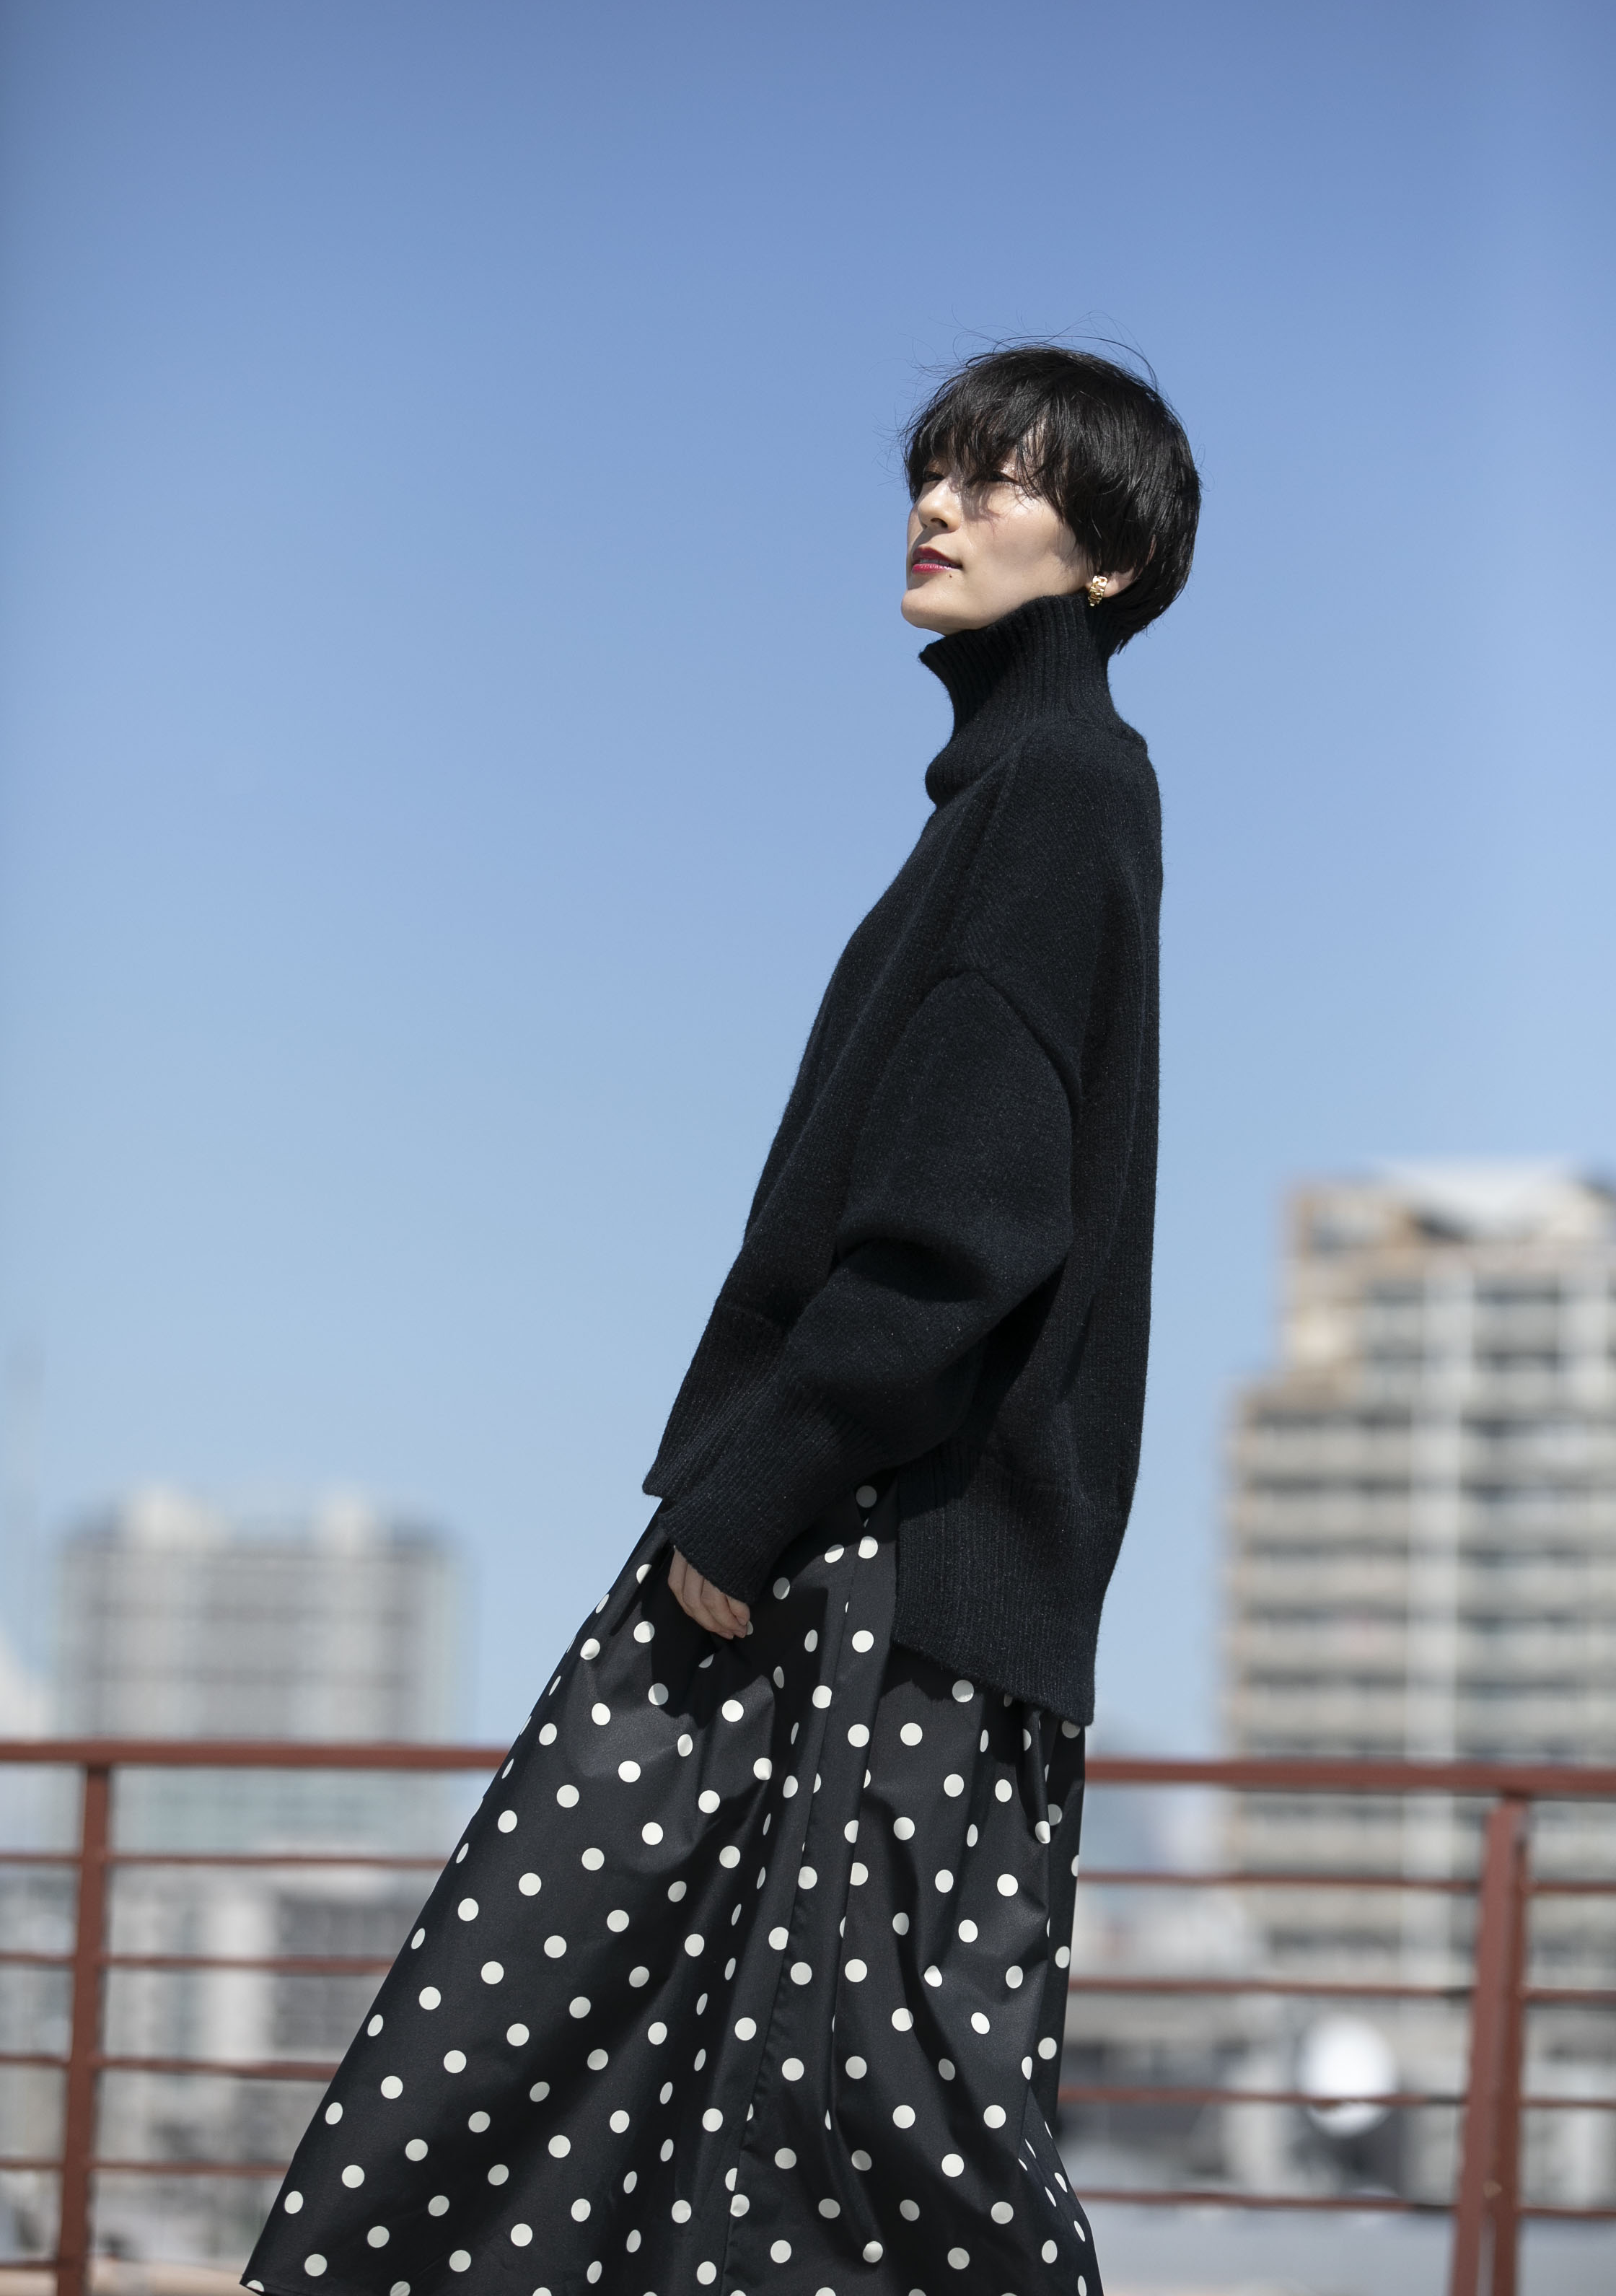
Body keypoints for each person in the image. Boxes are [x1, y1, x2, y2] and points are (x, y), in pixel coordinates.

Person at [243, 343, 1200, 2296]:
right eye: (935, 470)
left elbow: (962, 1229)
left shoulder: (1055, 792)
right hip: (873, 1573)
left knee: (756, 2112)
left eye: (1003, 482)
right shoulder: (1025, 797)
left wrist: (751, 1501)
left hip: (860, 1578)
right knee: (659, 2104)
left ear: (1108, 564)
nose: (939, 507)